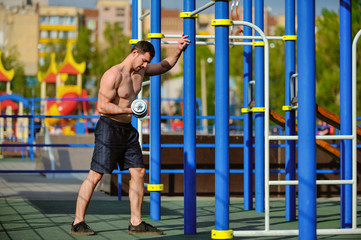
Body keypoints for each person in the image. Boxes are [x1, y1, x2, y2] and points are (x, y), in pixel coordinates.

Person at [70, 35, 190, 236]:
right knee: (96, 175)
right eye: (143, 60)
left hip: (128, 131)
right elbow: (102, 106)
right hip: (108, 128)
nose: (145, 65)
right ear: (134, 53)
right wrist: (131, 111)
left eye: (147, 62)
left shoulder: (140, 72)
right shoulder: (113, 75)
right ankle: (78, 221)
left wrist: (178, 50)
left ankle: (136, 222)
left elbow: (162, 67)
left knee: (139, 172)